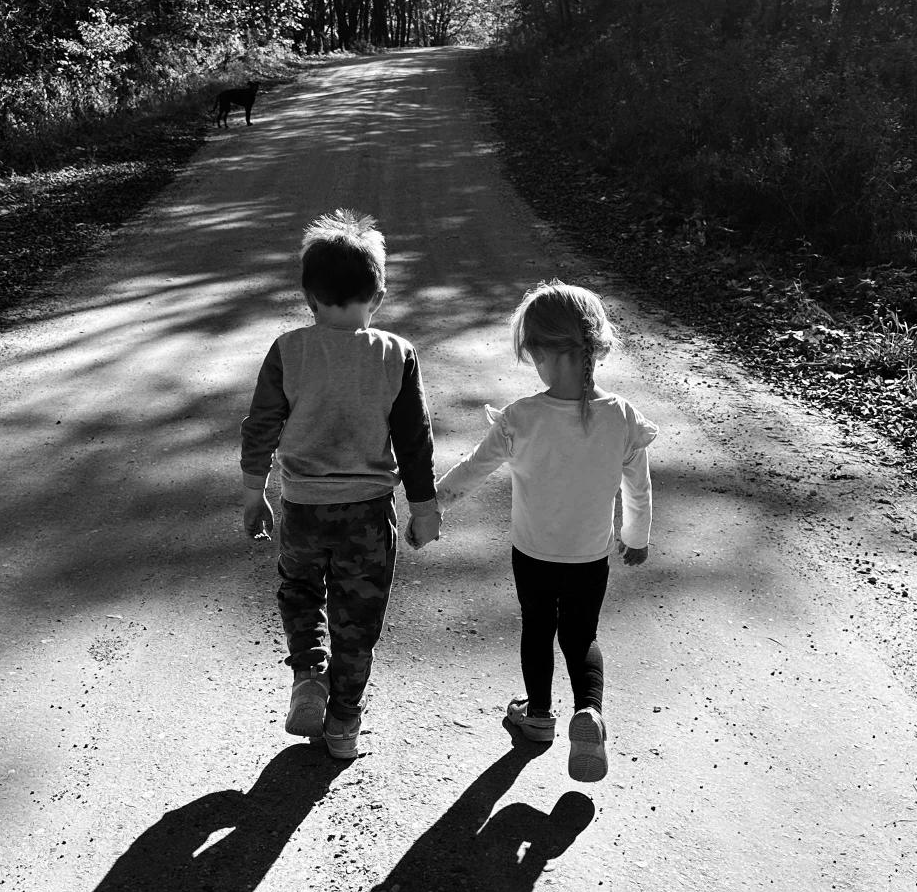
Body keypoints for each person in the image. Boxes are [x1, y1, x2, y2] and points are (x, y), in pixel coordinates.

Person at [241, 211, 441, 760]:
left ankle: (308, 673)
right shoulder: (396, 354)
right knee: (359, 620)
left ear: (309, 297)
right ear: (377, 295)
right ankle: (345, 722)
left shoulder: (289, 350)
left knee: (300, 591)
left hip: (303, 506)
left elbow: (262, 425)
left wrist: (252, 491)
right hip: (368, 515)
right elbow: (413, 439)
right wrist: (424, 507)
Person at [437, 280, 655, 782]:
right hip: (589, 557)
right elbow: (638, 490)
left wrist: (433, 506)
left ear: (535, 351)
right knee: (581, 637)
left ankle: (537, 716)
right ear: (595, 346)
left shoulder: (522, 418)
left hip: (533, 554)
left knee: (538, 630)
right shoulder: (621, 417)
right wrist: (636, 537)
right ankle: (590, 713)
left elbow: (473, 468)